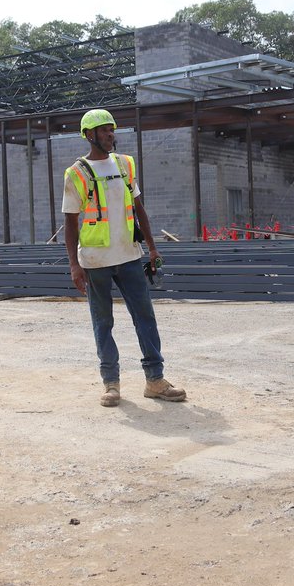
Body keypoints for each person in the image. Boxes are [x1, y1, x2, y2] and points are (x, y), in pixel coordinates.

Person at [62, 108, 186, 407]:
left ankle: (155, 380)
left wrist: (153, 248)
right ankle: (111, 384)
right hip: (95, 262)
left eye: (111, 130)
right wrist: (74, 265)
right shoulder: (76, 173)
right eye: (104, 130)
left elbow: (139, 208)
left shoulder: (125, 165)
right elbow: (70, 221)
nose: (110, 134)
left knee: (145, 317)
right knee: (102, 323)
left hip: (130, 256)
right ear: (89, 135)